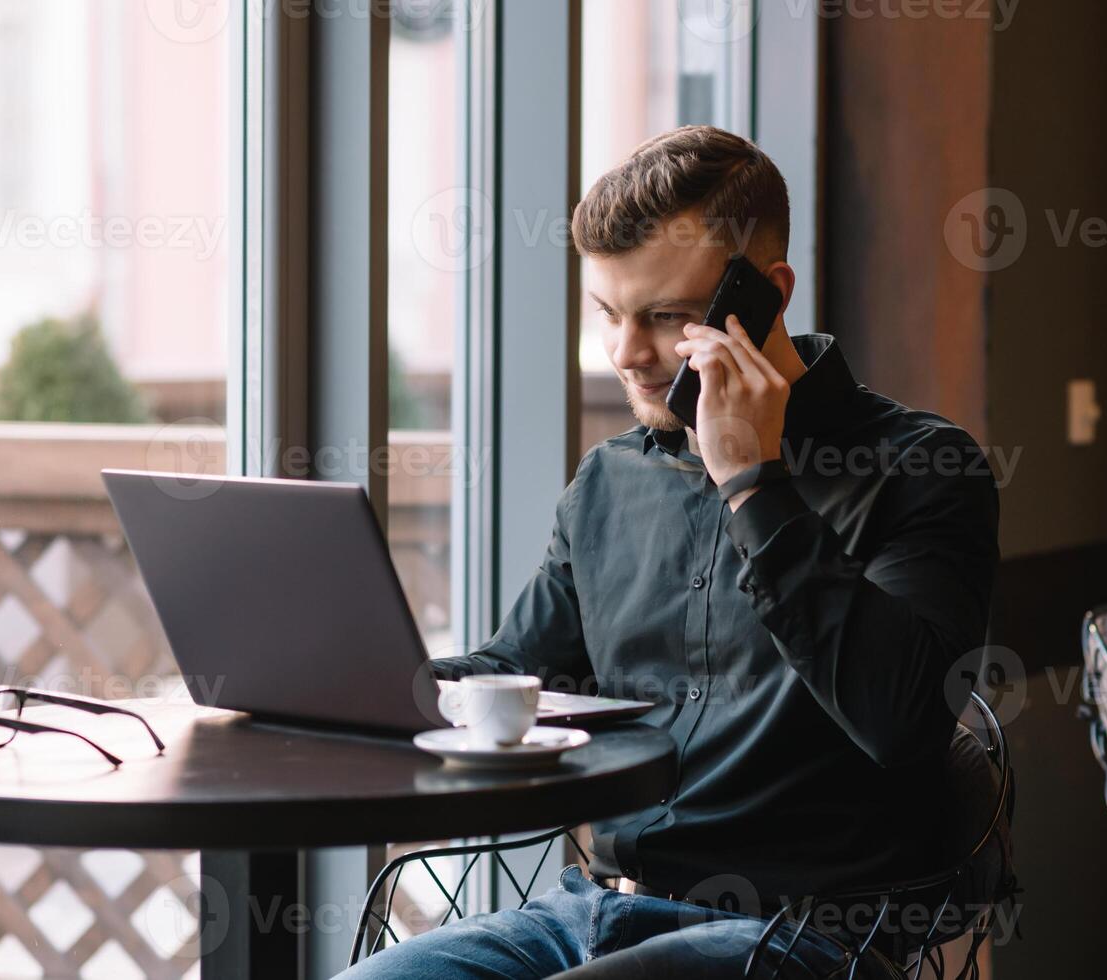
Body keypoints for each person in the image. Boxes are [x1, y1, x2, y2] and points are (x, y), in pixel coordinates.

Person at [337, 124, 1000, 978]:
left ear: (766, 295)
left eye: (664, 318)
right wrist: (359, 690)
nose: (625, 354)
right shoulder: (607, 484)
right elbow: (521, 679)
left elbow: (902, 721)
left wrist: (755, 485)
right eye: (608, 314)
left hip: (804, 936)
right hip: (594, 908)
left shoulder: (923, 468)